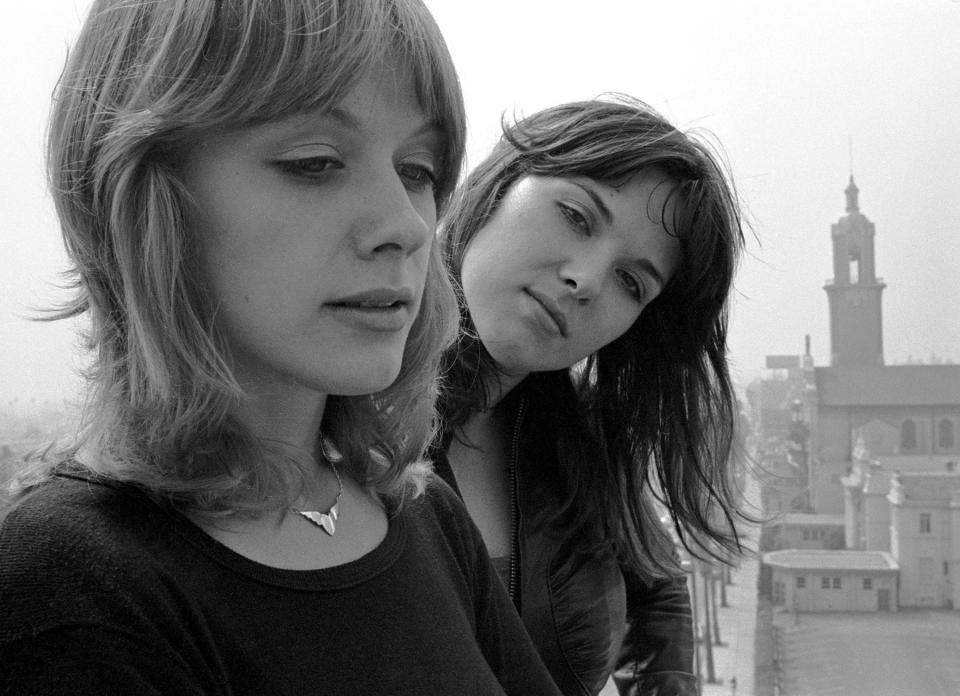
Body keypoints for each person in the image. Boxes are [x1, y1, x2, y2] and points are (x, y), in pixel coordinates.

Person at [0, 1, 563, 694]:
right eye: (316, 162)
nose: (407, 227)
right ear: (143, 196)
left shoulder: (424, 513)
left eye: (417, 169)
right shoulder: (68, 589)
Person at [433, 97, 748, 696]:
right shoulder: (324, 411)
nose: (587, 280)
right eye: (577, 216)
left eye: (632, 281)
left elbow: (655, 581)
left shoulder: (581, 445)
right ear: (500, 184)